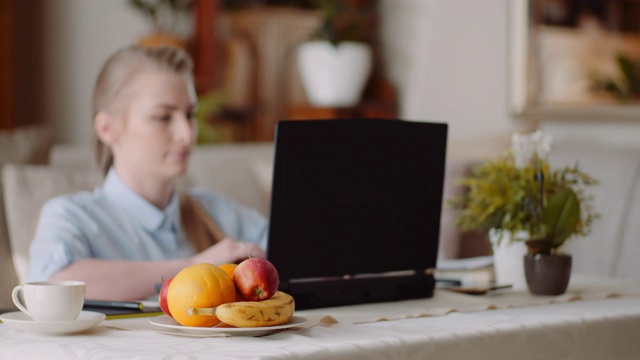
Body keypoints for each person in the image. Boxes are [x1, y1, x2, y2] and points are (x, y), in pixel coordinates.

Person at [27, 45, 267, 301]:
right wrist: (194, 266)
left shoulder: (218, 212)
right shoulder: (71, 216)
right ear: (108, 129)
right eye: (163, 117)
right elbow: (51, 286)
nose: (186, 134)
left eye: (190, 115)